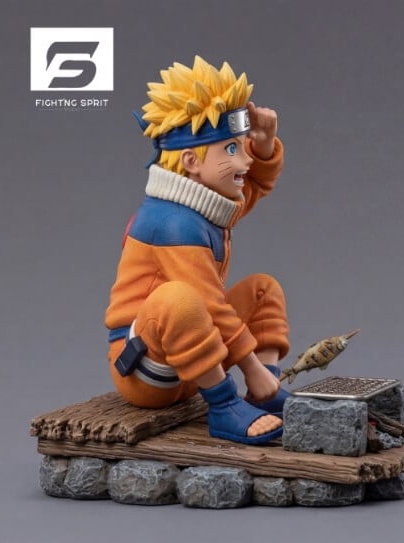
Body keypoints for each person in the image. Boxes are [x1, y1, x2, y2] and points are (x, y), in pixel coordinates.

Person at [104, 56, 292, 444]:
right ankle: (224, 407)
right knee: (182, 299)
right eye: (231, 150)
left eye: (242, 147)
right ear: (191, 161)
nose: (245, 160)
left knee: (263, 290)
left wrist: (263, 145)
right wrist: (249, 365)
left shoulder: (204, 205)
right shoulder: (171, 224)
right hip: (146, 372)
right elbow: (209, 304)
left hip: (193, 359)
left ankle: (264, 392)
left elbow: (251, 188)